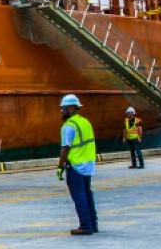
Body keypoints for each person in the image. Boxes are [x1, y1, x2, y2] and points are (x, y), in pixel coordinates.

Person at [56, 94, 98, 235]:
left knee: (78, 195)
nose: (62, 112)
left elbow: (65, 148)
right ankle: (93, 224)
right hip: (88, 164)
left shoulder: (69, 126)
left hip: (75, 165)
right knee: (87, 194)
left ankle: (85, 226)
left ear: (72, 109)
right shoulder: (85, 122)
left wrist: (60, 166)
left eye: (64, 109)